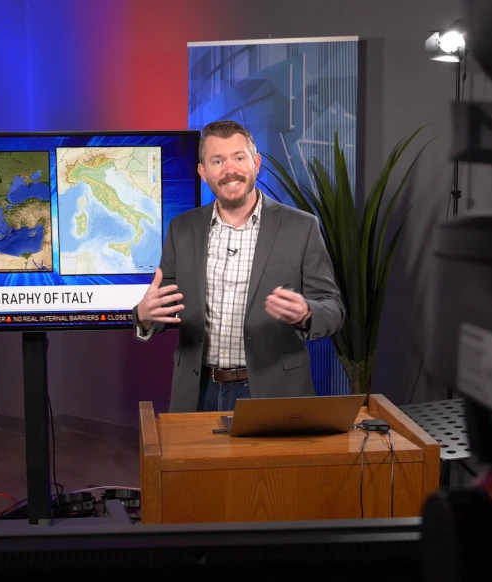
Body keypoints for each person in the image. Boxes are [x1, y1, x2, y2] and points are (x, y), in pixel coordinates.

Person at [133, 120, 345, 413]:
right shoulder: (182, 229)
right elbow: (163, 306)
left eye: (239, 157)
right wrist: (144, 316)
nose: (229, 169)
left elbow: (333, 309)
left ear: (255, 163)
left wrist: (307, 313)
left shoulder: (301, 227)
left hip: (273, 394)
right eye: (217, 160)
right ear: (203, 172)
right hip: (197, 393)